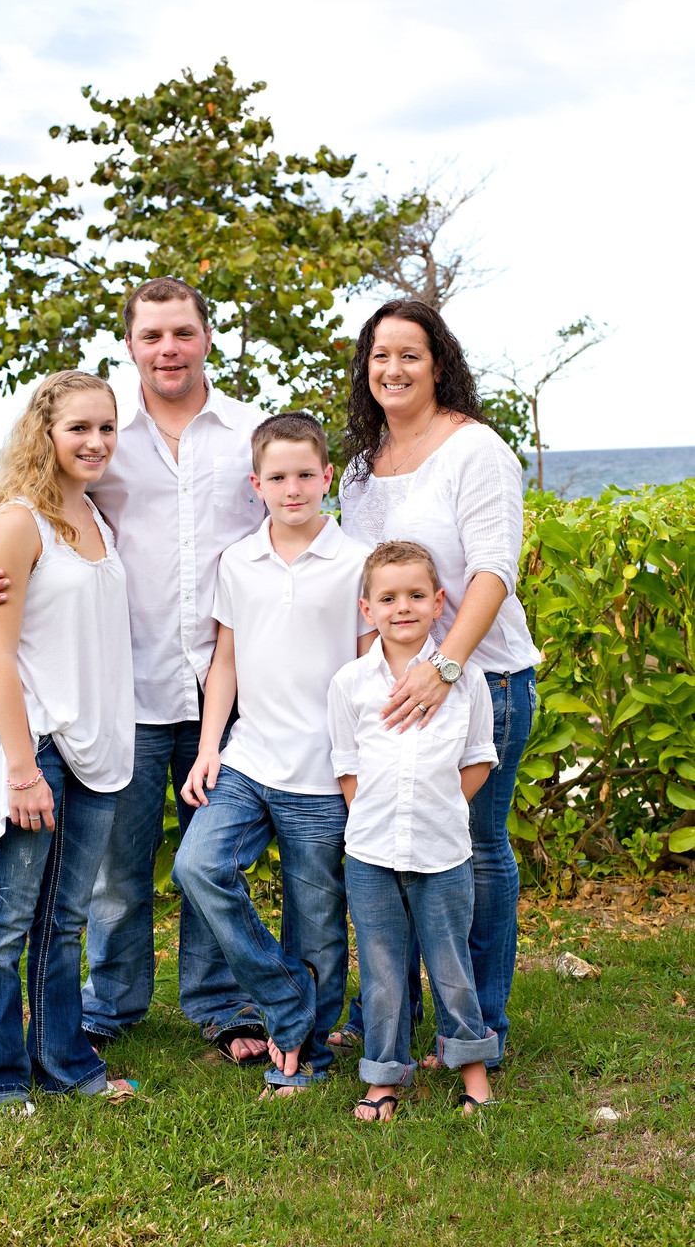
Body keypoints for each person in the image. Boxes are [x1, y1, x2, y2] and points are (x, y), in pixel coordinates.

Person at [0, 278, 270, 1065]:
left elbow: (291, 531)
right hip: (120, 692)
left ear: (208, 336)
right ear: (131, 344)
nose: (169, 348)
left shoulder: (250, 435)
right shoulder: (102, 433)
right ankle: (113, 1002)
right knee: (116, 875)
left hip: (225, 686)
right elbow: (33, 535)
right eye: (152, 335)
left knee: (210, 863)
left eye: (184, 333)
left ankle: (217, 1003)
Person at [332, 300, 541, 1069]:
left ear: (439, 362)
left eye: (410, 354)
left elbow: (493, 570)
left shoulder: (476, 451)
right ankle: (390, 1013)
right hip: (389, 691)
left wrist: (444, 667)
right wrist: (372, 684)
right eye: (379, 355)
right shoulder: (360, 470)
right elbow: (367, 585)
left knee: (473, 851)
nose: (392, 368)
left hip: (480, 678)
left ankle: (478, 1030)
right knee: (388, 845)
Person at [173, 412, 375, 1095]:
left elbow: (366, 668)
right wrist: (208, 749)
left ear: (328, 477)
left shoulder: (355, 564)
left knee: (316, 921)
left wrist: (361, 766)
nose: (293, 489)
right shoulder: (239, 560)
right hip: (249, 760)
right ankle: (285, 998)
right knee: (197, 867)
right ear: (256, 483)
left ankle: (309, 1055)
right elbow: (224, 661)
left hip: (322, 775)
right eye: (278, 477)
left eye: (305, 475)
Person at [0, 370, 135, 1107]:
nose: (95, 442)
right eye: (79, 429)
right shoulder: (18, 520)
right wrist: (24, 771)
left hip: (95, 746)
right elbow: (0, 655)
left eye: (106, 428)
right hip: (34, 745)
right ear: (46, 433)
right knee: (7, 915)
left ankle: (66, 1063)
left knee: (64, 919)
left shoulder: (97, 517)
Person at [328, 542, 499, 1120]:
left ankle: (473, 1066)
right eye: (388, 597)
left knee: (450, 963)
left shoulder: (466, 679)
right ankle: (383, 1077)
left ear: (438, 602)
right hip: (371, 850)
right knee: (380, 967)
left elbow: (478, 757)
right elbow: (346, 765)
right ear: (366, 608)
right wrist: (372, 812)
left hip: (443, 848)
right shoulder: (350, 684)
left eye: (416, 595)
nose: (403, 607)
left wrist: (442, 805)